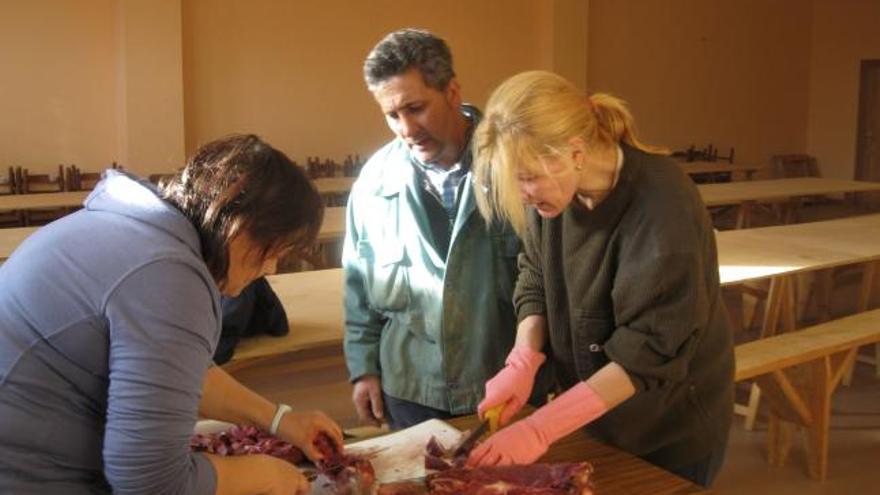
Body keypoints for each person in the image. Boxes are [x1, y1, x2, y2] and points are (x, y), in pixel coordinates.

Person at [0, 134, 343, 494]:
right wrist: (267, 476)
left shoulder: (132, 224)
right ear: (239, 229)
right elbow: (151, 482)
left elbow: (174, 370)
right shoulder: (170, 276)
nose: (271, 268)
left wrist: (280, 420)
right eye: (273, 251)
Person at [467, 71, 734, 487]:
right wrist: (523, 358)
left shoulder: (663, 209)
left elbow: (648, 350)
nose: (522, 194)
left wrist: (541, 427)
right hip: (594, 413)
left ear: (574, 152)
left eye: (527, 177)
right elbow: (535, 276)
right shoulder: (554, 199)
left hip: (669, 427)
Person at [343, 28, 529, 430]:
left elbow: (550, 286)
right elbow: (358, 289)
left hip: (504, 387)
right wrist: (364, 369)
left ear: (452, 91)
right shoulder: (374, 184)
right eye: (393, 115)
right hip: (410, 392)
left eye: (417, 108)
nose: (407, 128)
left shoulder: (517, 168)